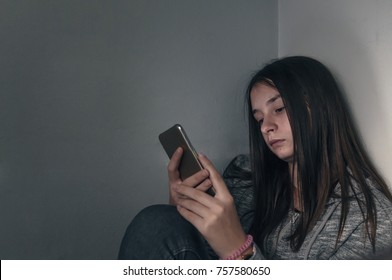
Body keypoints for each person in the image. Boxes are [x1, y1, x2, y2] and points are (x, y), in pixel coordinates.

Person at [118, 56, 392, 260]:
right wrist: (183, 211)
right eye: (258, 118)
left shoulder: (368, 220)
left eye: (280, 109)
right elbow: (187, 249)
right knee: (155, 223)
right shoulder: (244, 175)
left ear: (321, 107)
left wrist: (240, 252)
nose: (265, 127)